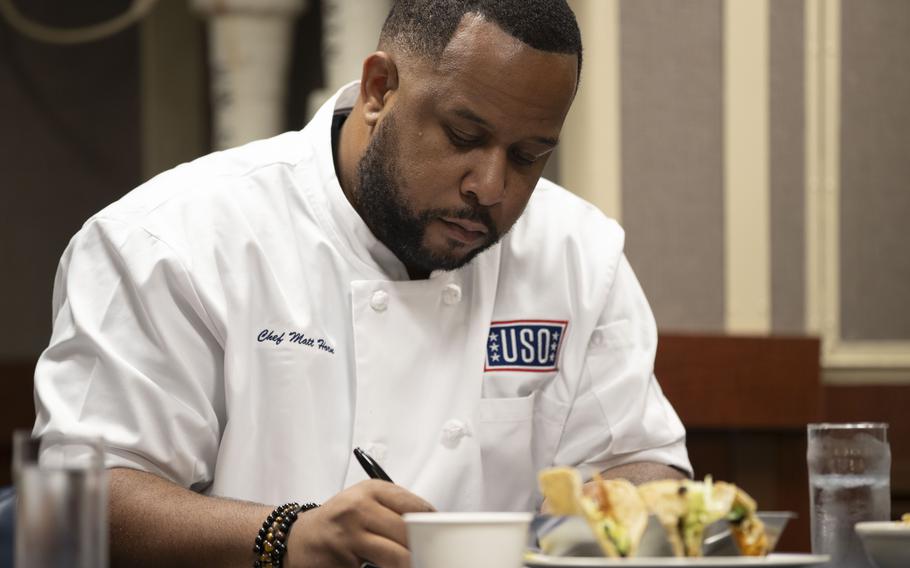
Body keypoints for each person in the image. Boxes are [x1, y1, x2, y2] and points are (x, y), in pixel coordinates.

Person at [32, 0, 691, 566]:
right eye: (465, 135)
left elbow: (636, 464)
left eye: (528, 156)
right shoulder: (171, 240)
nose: (490, 187)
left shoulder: (578, 253)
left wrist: (648, 509)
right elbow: (73, 507)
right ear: (379, 89)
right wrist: (284, 537)